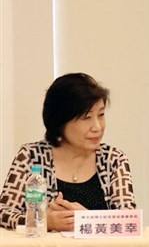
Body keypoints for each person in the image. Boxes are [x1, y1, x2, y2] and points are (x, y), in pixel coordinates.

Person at [0, 73, 136, 231]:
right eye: (86, 118)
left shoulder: (112, 159)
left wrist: (87, 220)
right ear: (60, 120)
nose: (97, 127)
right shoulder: (31, 156)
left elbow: (129, 220)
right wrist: (44, 221)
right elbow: (3, 213)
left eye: (101, 115)